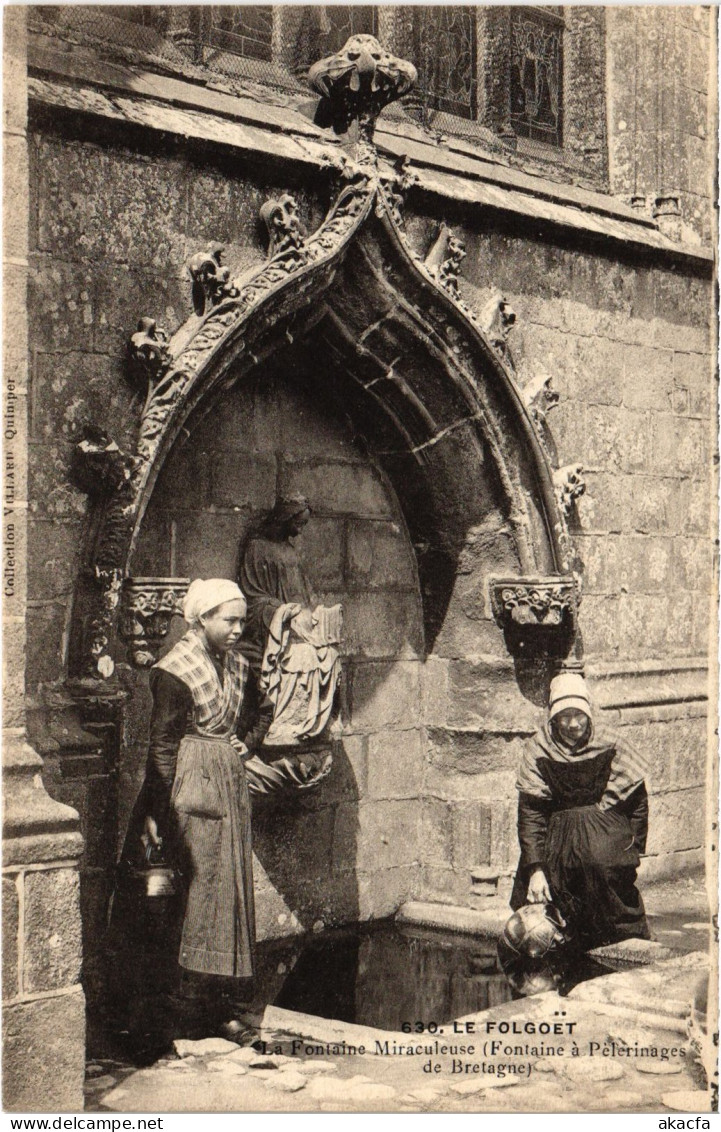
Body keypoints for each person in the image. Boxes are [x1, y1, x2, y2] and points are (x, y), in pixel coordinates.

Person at [140, 577, 273, 1044]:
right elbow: (162, 745)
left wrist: (246, 743)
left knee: (226, 894)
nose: (237, 629)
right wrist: (160, 813)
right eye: (229, 620)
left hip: (228, 787)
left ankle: (222, 1009)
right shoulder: (174, 670)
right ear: (202, 619)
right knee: (191, 897)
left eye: (241, 621)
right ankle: (176, 1013)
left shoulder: (239, 664)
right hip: (188, 788)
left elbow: (264, 711)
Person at [510, 671, 650, 952]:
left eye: (579, 715)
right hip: (558, 843)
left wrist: (630, 847)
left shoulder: (610, 743)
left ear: (589, 712)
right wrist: (535, 868)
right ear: (553, 718)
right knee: (543, 921)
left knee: (610, 897)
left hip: (604, 839)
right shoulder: (539, 749)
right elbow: (531, 814)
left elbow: (637, 801)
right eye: (564, 717)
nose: (573, 724)